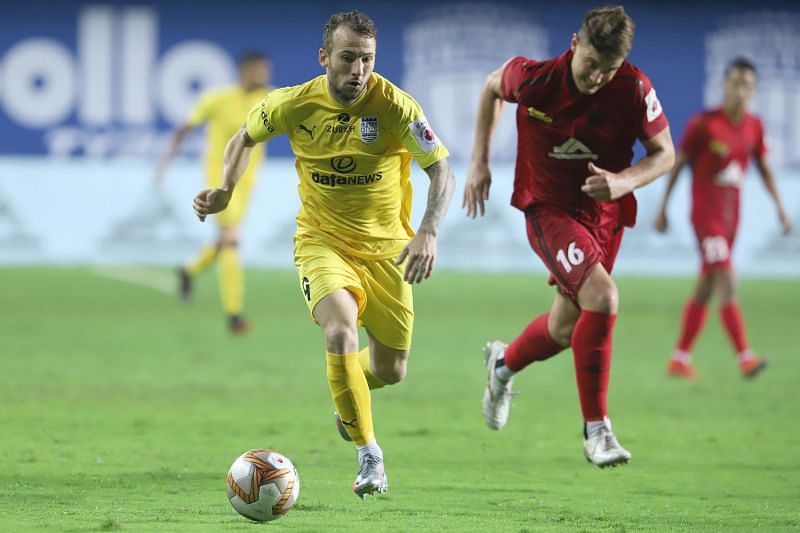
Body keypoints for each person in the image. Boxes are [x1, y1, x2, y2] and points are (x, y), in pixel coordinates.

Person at [192, 11, 455, 497]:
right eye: (349, 57)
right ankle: (369, 455)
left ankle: (347, 402)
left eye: (368, 59)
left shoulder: (397, 107)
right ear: (325, 57)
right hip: (322, 241)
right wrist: (226, 191)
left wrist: (429, 232)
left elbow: (442, 171)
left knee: (392, 369)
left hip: (387, 253)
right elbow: (242, 138)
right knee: (339, 330)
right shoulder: (292, 104)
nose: (359, 69)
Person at [463, 6, 674, 468]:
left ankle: (502, 366)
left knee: (563, 329)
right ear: (574, 46)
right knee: (603, 297)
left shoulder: (635, 89)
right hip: (548, 208)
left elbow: (665, 154)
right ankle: (596, 431)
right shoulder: (535, 79)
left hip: (604, 215)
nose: (598, 77)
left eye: (609, 69)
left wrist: (624, 182)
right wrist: (479, 161)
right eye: (591, 64)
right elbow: (490, 87)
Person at [654, 57, 793, 380]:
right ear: (724, 85)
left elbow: (765, 168)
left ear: (753, 90)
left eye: (747, 85)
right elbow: (678, 162)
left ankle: (679, 358)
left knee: (706, 286)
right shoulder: (704, 124)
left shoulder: (754, 127)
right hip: (706, 219)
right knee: (727, 279)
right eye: (735, 83)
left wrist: (781, 208)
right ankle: (745, 357)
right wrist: (662, 208)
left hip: (732, 221)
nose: (740, 90)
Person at [154, 51, 272, 333]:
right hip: (219, 181)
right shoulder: (217, 99)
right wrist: (164, 164)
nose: (265, 76)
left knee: (223, 241)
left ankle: (188, 270)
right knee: (231, 239)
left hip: (248, 183)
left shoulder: (269, 99)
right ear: (246, 71)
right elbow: (185, 129)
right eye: (260, 70)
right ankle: (234, 315)